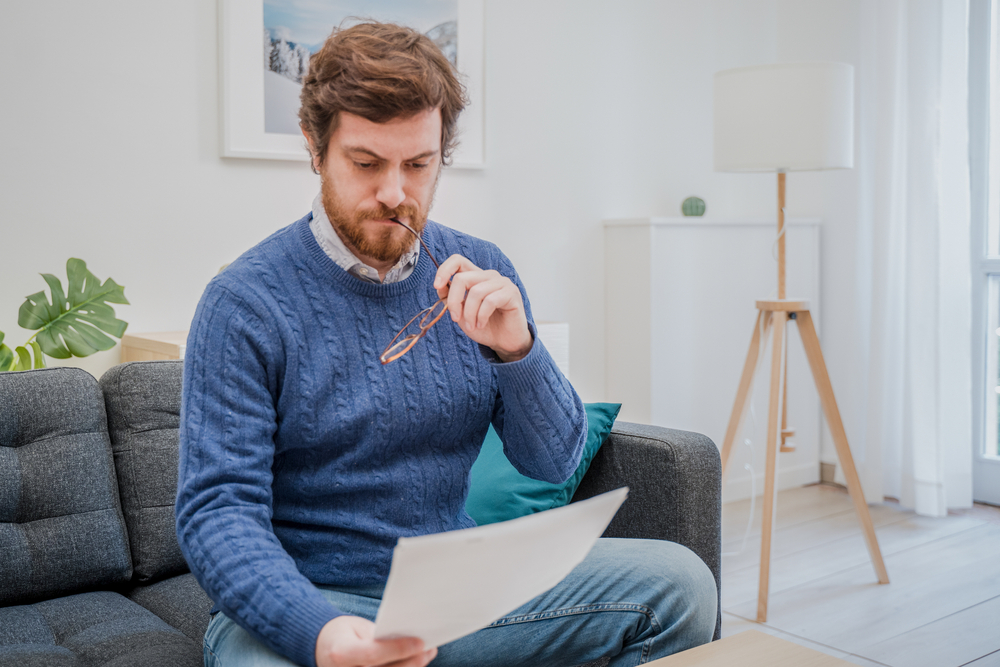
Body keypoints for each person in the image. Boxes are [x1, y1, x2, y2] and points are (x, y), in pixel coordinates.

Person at [176, 21, 716, 667]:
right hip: (309, 605)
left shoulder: (482, 268)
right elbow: (217, 512)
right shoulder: (243, 304)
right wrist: (321, 633)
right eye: (366, 163)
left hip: (456, 596)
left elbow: (555, 461)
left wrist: (520, 353)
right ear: (315, 150)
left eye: (419, 164)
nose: (395, 193)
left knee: (679, 583)